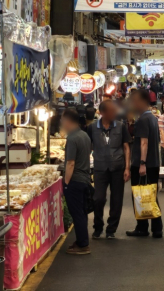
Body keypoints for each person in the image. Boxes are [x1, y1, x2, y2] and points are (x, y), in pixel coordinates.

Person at [87, 100, 131, 239]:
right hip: (100, 167)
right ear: (102, 113)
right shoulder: (93, 128)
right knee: (98, 198)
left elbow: (126, 147)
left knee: (117, 199)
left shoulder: (120, 126)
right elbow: (88, 148)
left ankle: (111, 229)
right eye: (111, 111)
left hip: (118, 166)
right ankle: (98, 226)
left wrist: (127, 167)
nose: (114, 113)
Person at [126, 89, 163, 238]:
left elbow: (144, 143)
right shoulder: (153, 118)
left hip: (144, 164)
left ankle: (142, 227)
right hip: (154, 163)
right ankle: (156, 228)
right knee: (151, 195)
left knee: (140, 195)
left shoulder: (142, 120)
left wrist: (142, 163)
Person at [61, 109, 92, 255]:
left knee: (77, 213)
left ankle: (83, 244)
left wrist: (66, 183)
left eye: (63, 121)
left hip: (76, 180)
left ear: (68, 121)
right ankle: (81, 240)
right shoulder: (84, 135)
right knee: (82, 212)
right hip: (85, 178)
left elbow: (70, 163)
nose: (62, 124)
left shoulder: (72, 138)